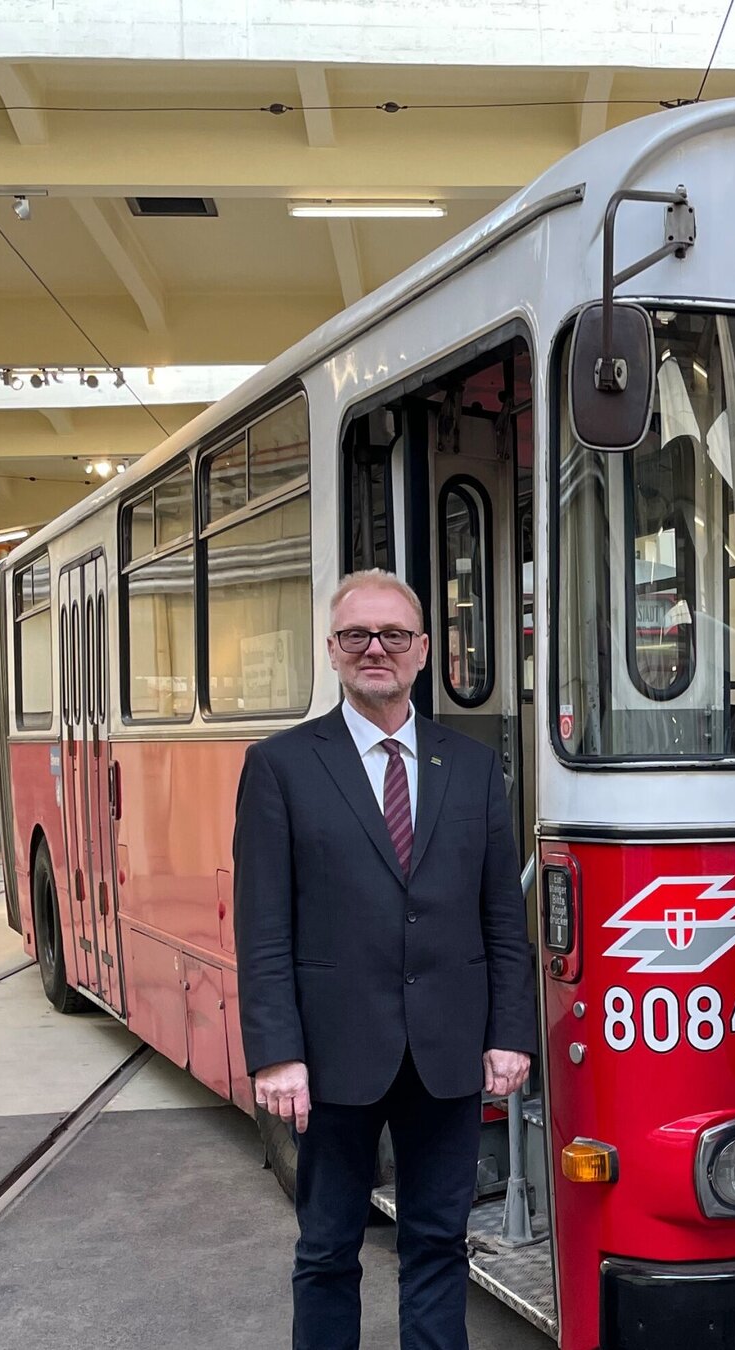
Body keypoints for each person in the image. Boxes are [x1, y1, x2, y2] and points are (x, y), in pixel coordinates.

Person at [233, 569, 533, 1350]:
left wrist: (511, 1032)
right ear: (332, 651)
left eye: (394, 635)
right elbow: (263, 924)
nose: (377, 649)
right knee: (329, 1249)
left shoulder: (469, 767)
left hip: (449, 1050)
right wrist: (276, 1054)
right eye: (358, 636)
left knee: (438, 1243)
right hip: (332, 1058)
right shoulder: (282, 766)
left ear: (424, 651)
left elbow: (503, 914)